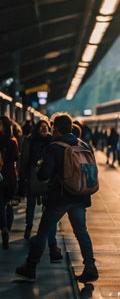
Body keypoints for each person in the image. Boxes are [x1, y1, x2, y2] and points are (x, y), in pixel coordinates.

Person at [16, 113, 98, 282]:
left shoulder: (54, 147)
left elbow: (44, 174)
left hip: (59, 198)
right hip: (80, 197)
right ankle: (90, 268)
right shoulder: (82, 144)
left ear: (57, 128)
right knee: (81, 232)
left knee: (43, 232)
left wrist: (39, 169)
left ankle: (31, 266)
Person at [18, 119, 63, 261]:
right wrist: (23, 177)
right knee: (31, 204)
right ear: (37, 128)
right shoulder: (31, 140)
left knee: (47, 209)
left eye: (46, 127)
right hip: (34, 177)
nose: (44, 129)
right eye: (41, 127)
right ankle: (29, 226)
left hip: (46, 179)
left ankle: (47, 239)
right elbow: (24, 160)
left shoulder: (52, 141)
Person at [0, 115, 19, 250]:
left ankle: (4, 229)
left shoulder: (9, 142)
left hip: (4, 177)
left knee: (2, 204)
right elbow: (15, 158)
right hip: (10, 177)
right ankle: (7, 230)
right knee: (8, 204)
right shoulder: (13, 141)